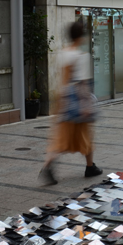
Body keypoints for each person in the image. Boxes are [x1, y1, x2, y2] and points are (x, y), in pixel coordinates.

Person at [40, 20, 101, 186]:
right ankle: (90, 167)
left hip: (64, 99)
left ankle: (48, 165)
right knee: (86, 134)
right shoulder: (81, 56)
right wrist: (86, 105)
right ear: (80, 37)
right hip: (77, 101)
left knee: (62, 138)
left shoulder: (63, 53)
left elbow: (65, 79)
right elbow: (82, 83)